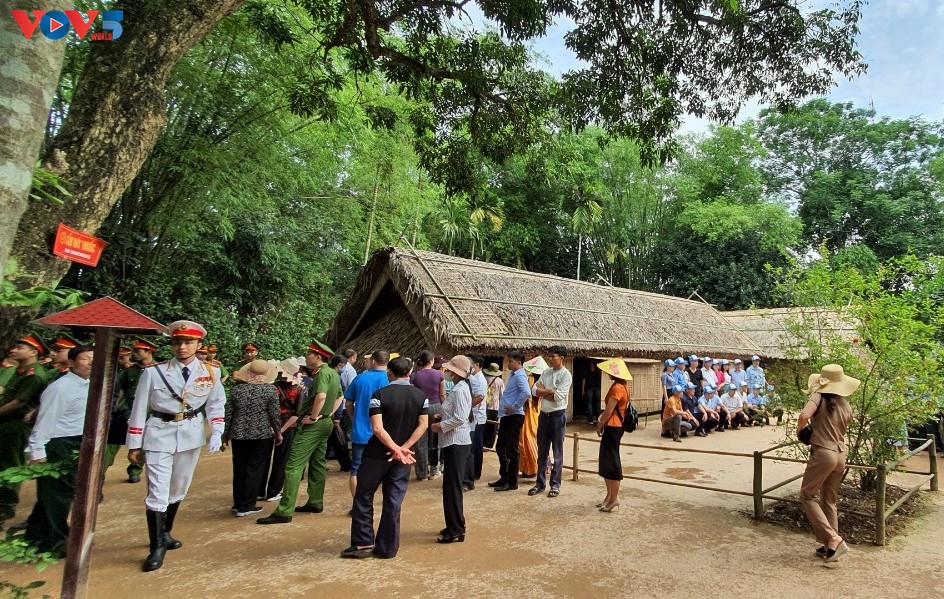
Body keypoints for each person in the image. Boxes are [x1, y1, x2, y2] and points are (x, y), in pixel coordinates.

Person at [127, 320, 226, 572]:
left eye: (188, 342)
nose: (182, 347)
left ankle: (165, 532)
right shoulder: (154, 372)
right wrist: (134, 444)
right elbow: (139, 409)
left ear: (198, 344)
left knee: (179, 487)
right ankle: (156, 545)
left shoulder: (210, 372)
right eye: (177, 342)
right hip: (159, 433)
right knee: (157, 490)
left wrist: (217, 431)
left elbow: (216, 404)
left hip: (191, 433)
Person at [342, 357, 428, 559]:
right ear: (409, 373)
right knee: (393, 501)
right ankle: (388, 547)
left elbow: (378, 429)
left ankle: (363, 542)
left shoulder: (379, 395)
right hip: (403, 458)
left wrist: (395, 448)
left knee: (364, 495)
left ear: (389, 372)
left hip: (377, 454)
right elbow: (423, 424)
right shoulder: (420, 396)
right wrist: (403, 448)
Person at [257, 341, 342, 524]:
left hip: (313, 426)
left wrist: (314, 417)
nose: (306, 357)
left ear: (317, 357)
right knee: (318, 464)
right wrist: (327, 414)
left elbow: (321, 396)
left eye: (309, 354)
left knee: (293, 466)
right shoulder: (332, 373)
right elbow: (340, 396)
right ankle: (315, 501)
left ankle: (284, 511)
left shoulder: (321, 374)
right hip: (325, 423)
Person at [23, 345, 93, 556]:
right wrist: (37, 450)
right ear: (71, 362)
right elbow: (45, 420)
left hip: (76, 442)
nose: (91, 362)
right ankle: (56, 541)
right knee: (58, 494)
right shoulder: (61, 388)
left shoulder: (90, 384)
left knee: (53, 492)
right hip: (58, 443)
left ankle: (36, 535)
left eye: (94, 358)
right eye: (85, 358)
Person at [798, 364, 858, 562]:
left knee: (807, 495)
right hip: (840, 454)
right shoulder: (845, 404)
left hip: (824, 453)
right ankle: (830, 548)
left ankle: (833, 539)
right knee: (829, 500)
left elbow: (804, 415)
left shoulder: (818, 397)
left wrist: (800, 431)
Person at [0, 333, 50, 524]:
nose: (14, 350)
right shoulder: (21, 371)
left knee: (11, 464)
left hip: (17, 424)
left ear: (33, 352)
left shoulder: (34, 374)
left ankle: (6, 505)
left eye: (20, 348)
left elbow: (18, 402)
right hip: (7, 423)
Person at [223, 360, 282, 517]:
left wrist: (225, 434)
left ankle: (238, 503)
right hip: (261, 434)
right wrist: (278, 433)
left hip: (239, 434)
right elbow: (274, 415)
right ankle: (247, 505)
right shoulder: (270, 391)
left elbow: (228, 414)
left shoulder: (237, 390)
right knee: (255, 469)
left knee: (239, 468)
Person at [431, 355, 472, 543]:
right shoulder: (458, 388)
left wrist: (441, 426)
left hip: (457, 442)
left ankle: (456, 528)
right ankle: (454, 525)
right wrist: (442, 416)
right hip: (452, 442)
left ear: (455, 372)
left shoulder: (461, 389)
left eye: (448, 369)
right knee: (450, 487)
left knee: (452, 487)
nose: (446, 372)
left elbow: (461, 418)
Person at [105, 338, 156, 483]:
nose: (134, 353)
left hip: (148, 412)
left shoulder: (158, 370)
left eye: (138, 350)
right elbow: (119, 389)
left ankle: (135, 470)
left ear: (148, 351)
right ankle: (102, 469)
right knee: (112, 441)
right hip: (127, 410)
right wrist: (115, 407)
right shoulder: (130, 371)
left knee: (143, 442)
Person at [344, 350, 391, 499]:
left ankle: (357, 503)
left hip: (360, 431)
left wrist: (354, 418)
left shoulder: (360, 378)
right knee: (383, 469)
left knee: (356, 469)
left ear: (373, 361)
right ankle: (381, 502)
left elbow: (348, 403)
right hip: (383, 433)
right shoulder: (389, 379)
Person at [529, 346, 573, 498]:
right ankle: (540, 483)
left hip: (557, 416)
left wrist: (543, 392)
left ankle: (555, 484)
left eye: (553, 356)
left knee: (557, 452)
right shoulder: (546, 372)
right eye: (550, 356)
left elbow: (559, 397)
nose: (550, 358)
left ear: (561, 358)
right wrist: (550, 390)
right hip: (544, 415)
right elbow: (534, 391)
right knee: (542, 451)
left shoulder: (566, 375)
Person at [259, 361, 302, 502]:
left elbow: (264, 409)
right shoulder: (300, 389)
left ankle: (258, 491)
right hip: (288, 427)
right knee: (282, 459)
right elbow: (297, 414)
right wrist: (281, 430)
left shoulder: (271, 387)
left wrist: (273, 428)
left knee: (263, 459)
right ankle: (273, 492)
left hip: (269, 426)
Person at [595, 358, 631, 512]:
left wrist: (599, 423)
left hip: (613, 426)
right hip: (614, 426)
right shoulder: (623, 386)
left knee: (612, 461)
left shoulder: (617, 388)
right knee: (606, 462)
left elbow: (609, 411)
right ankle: (609, 496)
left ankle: (614, 497)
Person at [492, 350, 529, 492]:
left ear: (518, 362)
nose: (508, 363)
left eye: (511, 361)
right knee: (501, 446)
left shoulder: (520, 376)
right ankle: (505, 476)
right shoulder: (513, 375)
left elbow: (526, 393)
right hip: (507, 416)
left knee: (511, 449)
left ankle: (512, 481)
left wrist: (514, 407)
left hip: (514, 416)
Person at [409, 350, 445, 480]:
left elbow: (412, 394)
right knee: (435, 440)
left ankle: (422, 473)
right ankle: (434, 471)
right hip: (436, 407)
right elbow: (442, 395)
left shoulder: (414, 375)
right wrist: (444, 409)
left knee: (420, 440)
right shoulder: (439, 375)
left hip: (420, 408)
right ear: (431, 361)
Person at [519, 356, 547, 479]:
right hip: (538, 413)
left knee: (526, 440)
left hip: (528, 414)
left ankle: (531, 468)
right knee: (536, 440)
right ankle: (538, 467)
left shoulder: (530, 380)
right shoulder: (543, 383)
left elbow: (525, 395)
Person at [463, 355, 487, 491]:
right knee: (475, 447)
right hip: (474, 417)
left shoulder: (478, 379)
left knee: (474, 448)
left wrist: (466, 407)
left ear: (476, 365)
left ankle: (473, 474)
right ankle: (473, 473)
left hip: (477, 417)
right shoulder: (473, 378)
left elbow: (480, 397)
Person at [482, 363, 504, 450]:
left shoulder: (484, 379)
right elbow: (502, 394)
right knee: (493, 425)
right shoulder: (499, 381)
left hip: (484, 404)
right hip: (495, 406)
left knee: (484, 423)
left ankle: (483, 441)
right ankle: (490, 443)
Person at [584, 361, 602, 425]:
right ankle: (597, 418)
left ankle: (591, 419)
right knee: (597, 403)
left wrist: (583, 390)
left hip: (590, 387)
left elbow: (584, 380)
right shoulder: (598, 370)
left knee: (590, 403)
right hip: (597, 387)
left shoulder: (587, 370)